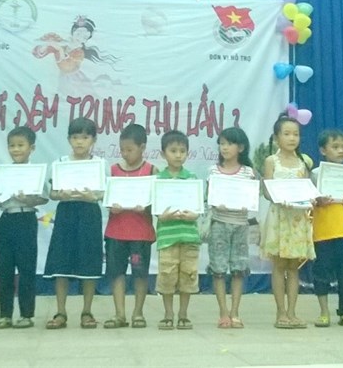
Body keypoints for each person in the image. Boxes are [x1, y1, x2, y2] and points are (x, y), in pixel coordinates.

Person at [43, 117, 105, 329]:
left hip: (89, 214)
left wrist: (92, 196)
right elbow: (52, 193)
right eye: (76, 137)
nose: (80, 142)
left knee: (89, 262)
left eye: (85, 137)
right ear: (69, 139)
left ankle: (87, 312)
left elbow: (104, 193)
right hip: (66, 213)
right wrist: (60, 194)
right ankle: (60, 312)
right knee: (61, 262)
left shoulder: (99, 164)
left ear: (93, 140)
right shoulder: (60, 163)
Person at [260, 113, 316, 329]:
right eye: (287, 134)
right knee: (279, 265)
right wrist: (278, 196)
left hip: (298, 218)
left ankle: (292, 312)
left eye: (296, 134)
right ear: (276, 138)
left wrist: (311, 197)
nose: (292, 138)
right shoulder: (271, 161)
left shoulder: (304, 162)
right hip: (280, 217)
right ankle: (280, 313)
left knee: (294, 267)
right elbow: (267, 191)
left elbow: (308, 188)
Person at [0, 126, 49, 330]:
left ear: (31, 148)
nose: (16, 150)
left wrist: (28, 199)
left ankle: (26, 315)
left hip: (26, 219)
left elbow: (43, 197)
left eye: (20, 145)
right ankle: (5, 315)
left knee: (26, 268)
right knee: (4, 268)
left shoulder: (36, 172)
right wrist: (1, 197)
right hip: (7, 219)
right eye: (12, 146)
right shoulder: (4, 171)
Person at [103, 123, 157, 329]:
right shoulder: (114, 170)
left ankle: (138, 313)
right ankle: (119, 314)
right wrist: (112, 206)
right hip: (116, 232)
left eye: (129, 149)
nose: (125, 154)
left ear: (142, 147)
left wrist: (147, 206)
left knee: (140, 273)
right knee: (116, 272)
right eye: (122, 149)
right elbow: (106, 198)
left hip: (140, 234)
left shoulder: (151, 170)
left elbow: (158, 202)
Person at [206, 127, 257, 329]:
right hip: (219, 223)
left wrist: (248, 203)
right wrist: (215, 202)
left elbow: (253, 196)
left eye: (229, 144)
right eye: (221, 144)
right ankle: (223, 312)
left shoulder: (248, 172)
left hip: (240, 225)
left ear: (241, 147)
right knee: (218, 269)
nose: (224, 148)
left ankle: (235, 312)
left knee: (238, 269)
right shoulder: (213, 170)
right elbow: (208, 197)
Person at [310, 129, 343, 328]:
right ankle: (324, 312)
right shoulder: (315, 174)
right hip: (323, 230)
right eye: (335, 147)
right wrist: (318, 200)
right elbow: (310, 199)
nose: (341, 151)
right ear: (323, 150)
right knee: (321, 272)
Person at [155, 130, 200, 331]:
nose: (178, 155)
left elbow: (199, 208)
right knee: (167, 276)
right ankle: (168, 314)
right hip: (167, 238)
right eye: (173, 151)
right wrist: (162, 216)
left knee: (188, 276)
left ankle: (183, 314)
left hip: (189, 237)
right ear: (163, 153)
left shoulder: (192, 179)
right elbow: (157, 210)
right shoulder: (158, 179)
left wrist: (194, 215)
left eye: (182, 151)